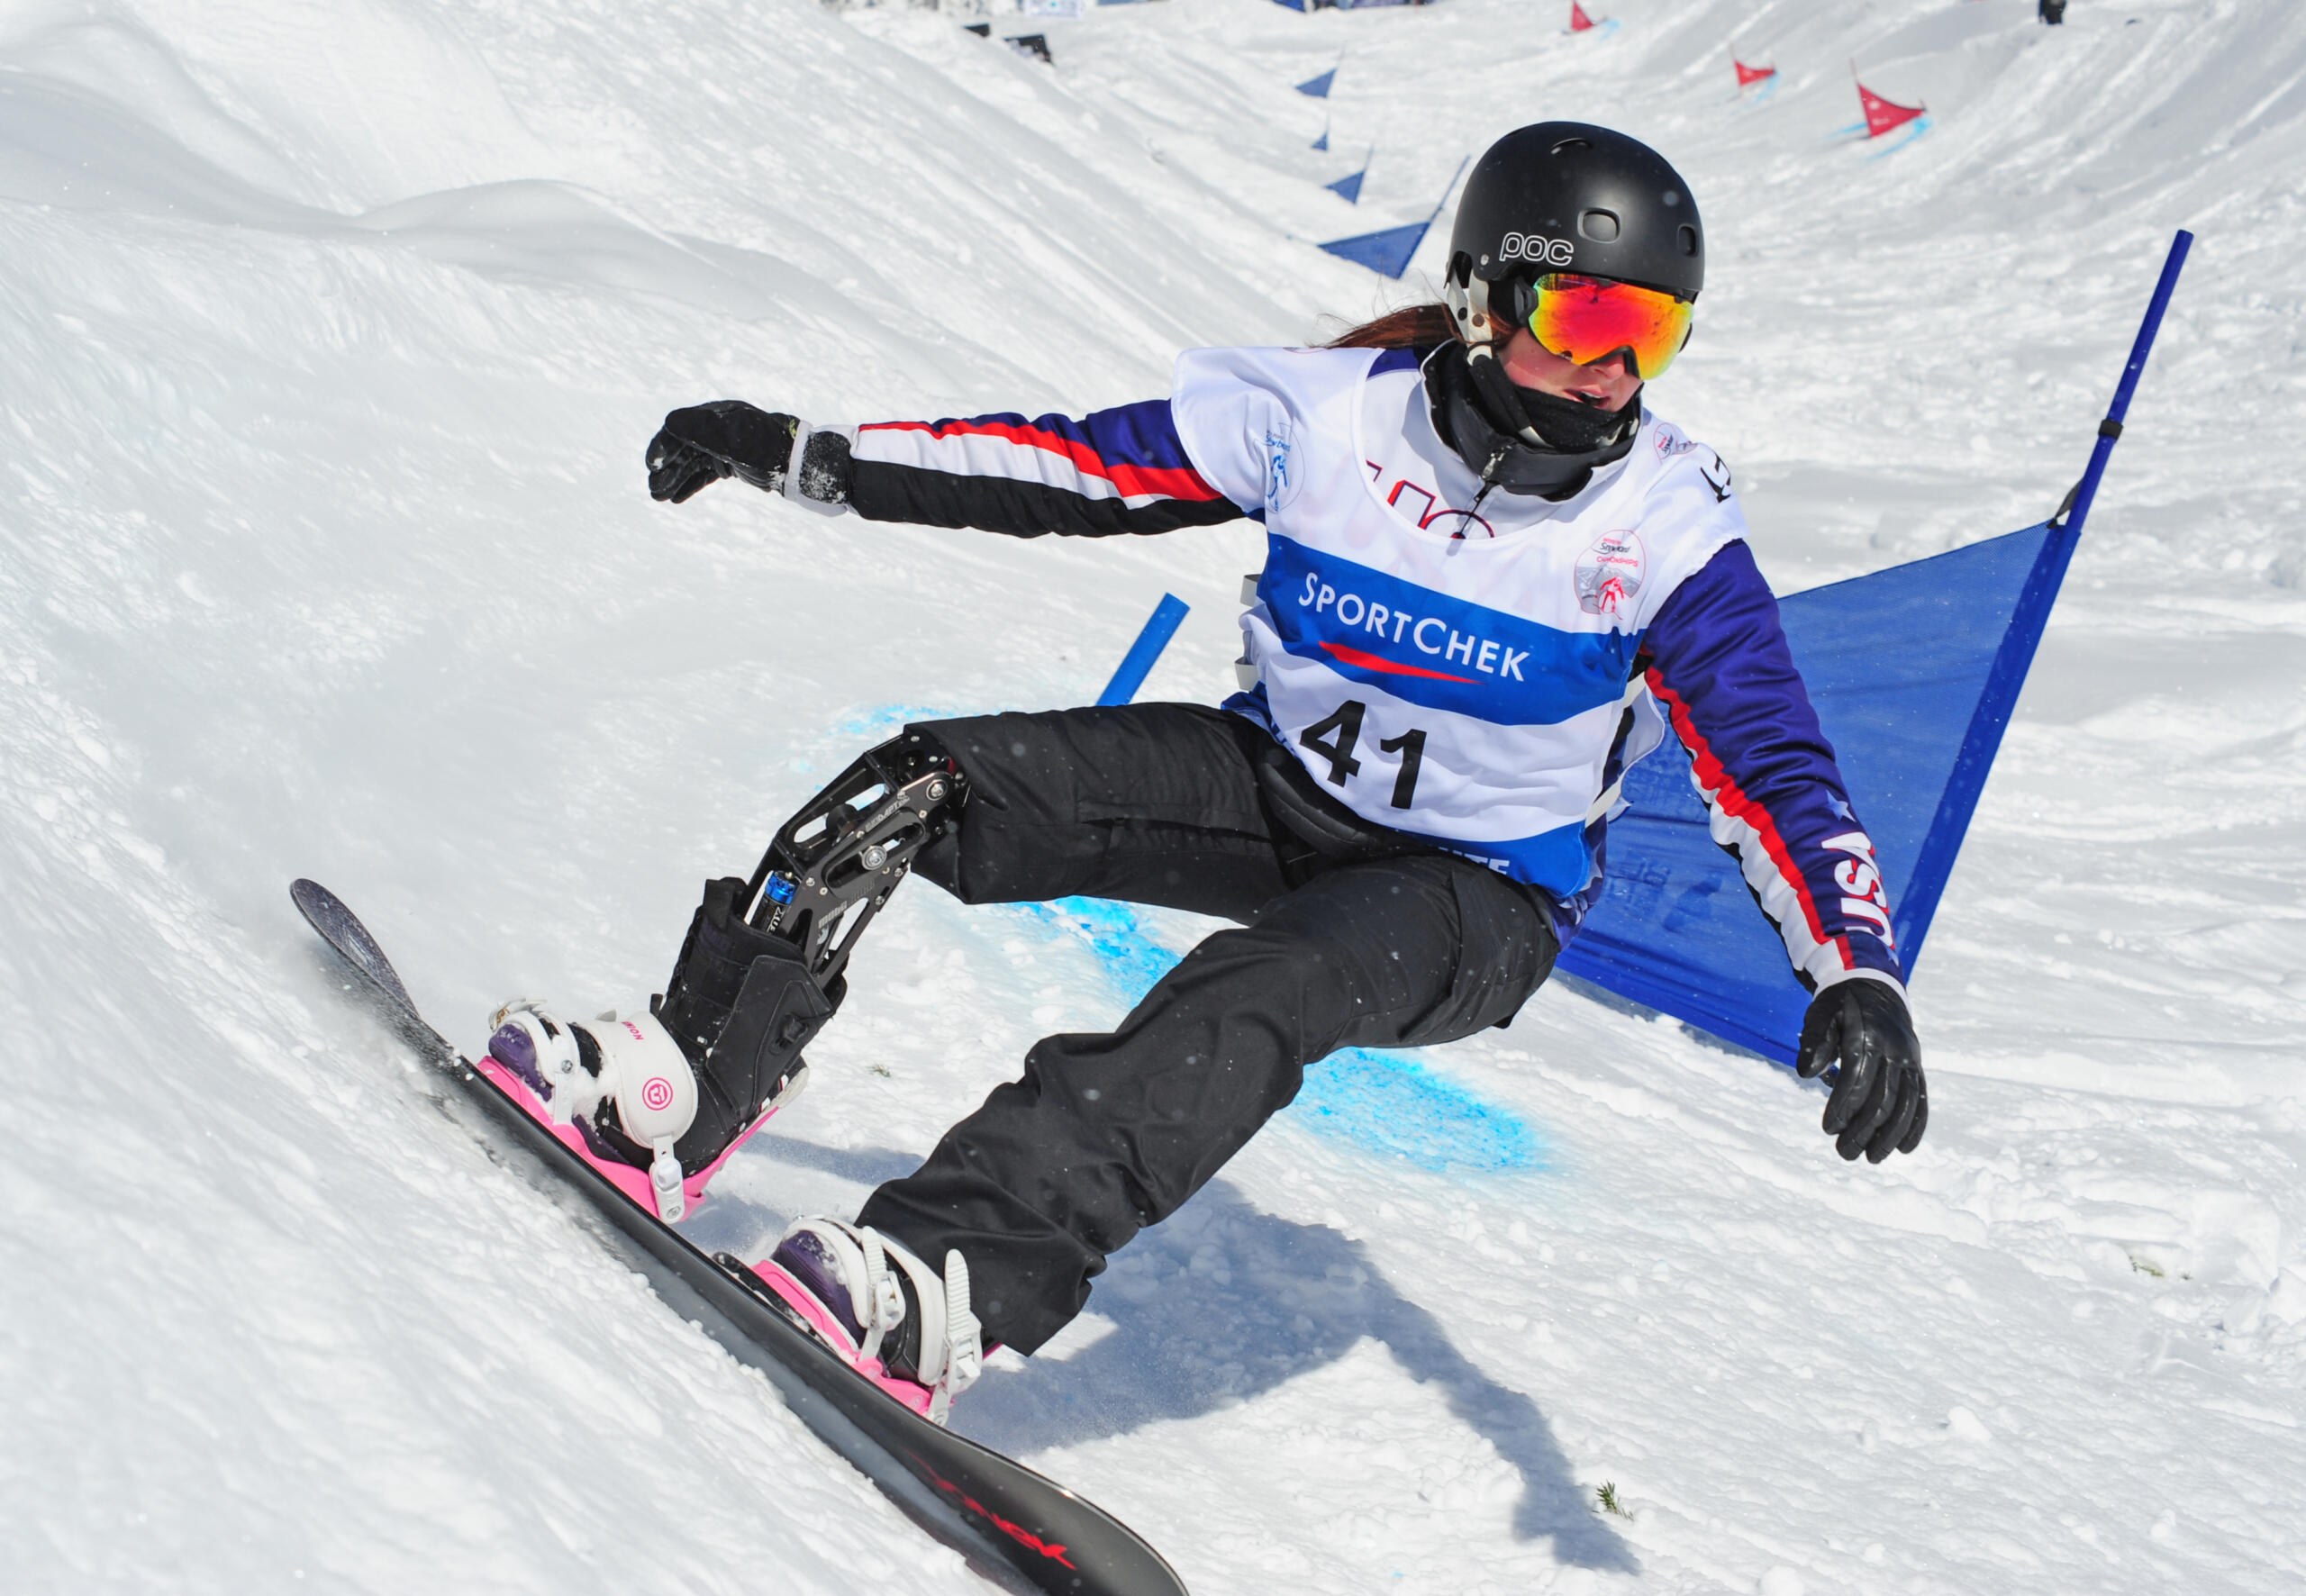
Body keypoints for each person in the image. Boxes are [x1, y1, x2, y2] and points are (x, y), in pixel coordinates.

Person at [483, 122, 1928, 1424]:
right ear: (1487, 299)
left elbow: (1771, 761)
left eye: (1654, 335)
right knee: (917, 782)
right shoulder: (1329, 416)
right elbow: (1064, 470)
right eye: (1588, 316)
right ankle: (694, 1072)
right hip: (1277, 785)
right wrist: (806, 455)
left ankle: (950, 1274)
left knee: (1268, 986)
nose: (1615, 372)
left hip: (1479, 893)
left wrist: (1851, 970)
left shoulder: (1663, 519)